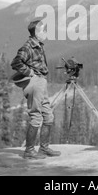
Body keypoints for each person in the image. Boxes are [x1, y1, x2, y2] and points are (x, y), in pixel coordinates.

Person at [10, 20, 61, 159]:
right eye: (44, 30)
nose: (46, 33)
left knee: (48, 116)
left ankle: (44, 148)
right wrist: (30, 73)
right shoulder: (28, 46)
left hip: (41, 82)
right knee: (36, 116)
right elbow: (16, 62)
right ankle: (29, 151)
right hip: (35, 82)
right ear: (37, 32)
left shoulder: (38, 45)